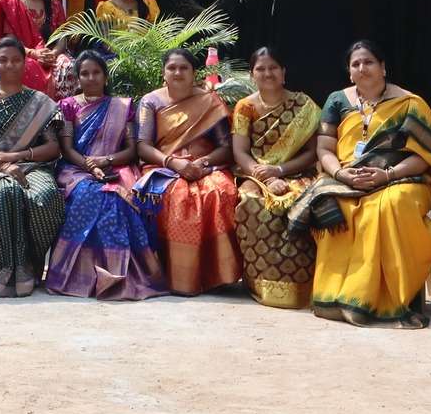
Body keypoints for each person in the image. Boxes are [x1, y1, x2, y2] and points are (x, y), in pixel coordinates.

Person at [289, 40, 431, 328]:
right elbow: (324, 148)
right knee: (334, 205)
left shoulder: (411, 103)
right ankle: (338, 298)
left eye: (369, 62)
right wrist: (340, 174)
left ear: (383, 67)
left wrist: (387, 175)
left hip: (401, 177)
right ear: (349, 73)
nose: (362, 68)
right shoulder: (337, 101)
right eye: (356, 64)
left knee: (390, 205)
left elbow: (423, 158)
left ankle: (387, 300)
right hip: (346, 177)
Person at [47, 49, 165, 300]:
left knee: (117, 199)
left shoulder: (124, 106)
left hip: (117, 167)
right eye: (85, 74)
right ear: (78, 78)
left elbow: (132, 149)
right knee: (92, 195)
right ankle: (81, 276)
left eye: (96, 72)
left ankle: (121, 274)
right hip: (76, 169)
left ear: (105, 76)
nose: (91, 78)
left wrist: (107, 161)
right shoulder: (67, 106)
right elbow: (67, 149)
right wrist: (91, 166)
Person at [0, 38, 65, 297]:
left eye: (16, 60)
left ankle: (28, 265)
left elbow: (53, 148)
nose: (9, 65)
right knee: (3, 192)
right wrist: (1, 163)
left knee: (44, 197)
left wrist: (17, 156)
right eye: (2, 60)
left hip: (30, 165)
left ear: (25, 63)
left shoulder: (39, 101)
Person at [134, 46, 242, 295]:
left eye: (184, 67)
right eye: (172, 67)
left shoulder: (209, 101)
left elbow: (226, 147)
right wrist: (174, 163)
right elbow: (143, 146)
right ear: (163, 72)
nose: (178, 72)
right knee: (178, 195)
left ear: (194, 73)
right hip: (164, 166)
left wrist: (202, 164)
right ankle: (179, 277)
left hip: (205, 164)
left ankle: (217, 274)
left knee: (221, 190)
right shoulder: (151, 101)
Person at [230, 45, 322, 310]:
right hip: (255, 174)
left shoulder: (304, 105)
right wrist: (266, 177)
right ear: (252, 75)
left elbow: (313, 151)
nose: (267, 73)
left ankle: (305, 286)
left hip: (297, 172)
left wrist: (281, 171)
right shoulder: (245, 107)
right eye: (260, 69)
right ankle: (260, 283)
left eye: (273, 68)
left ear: (283, 72)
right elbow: (240, 151)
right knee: (251, 203)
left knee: (303, 203)